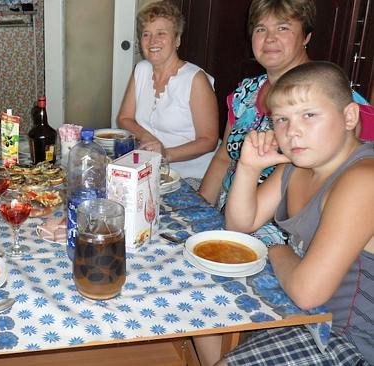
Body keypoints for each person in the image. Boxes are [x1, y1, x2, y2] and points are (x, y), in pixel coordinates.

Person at [220, 61, 374, 364]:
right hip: (313, 319)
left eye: (309, 115)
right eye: (281, 120)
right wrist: (249, 168)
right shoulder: (296, 166)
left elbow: (308, 291)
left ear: (348, 116)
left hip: (354, 342)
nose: (293, 132)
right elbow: (240, 225)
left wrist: (275, 250)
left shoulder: (363, 179)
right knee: (216, 306)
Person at [199, 0, 373, 210]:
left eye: (282, 28)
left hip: (286, 230)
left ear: (306, 36)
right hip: (227, 215)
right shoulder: (245, 93)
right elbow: (223, 158)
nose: (270, 38)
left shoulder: (337, 100)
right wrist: (199, 211)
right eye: (261, 29)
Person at [117, 0, 219, 180]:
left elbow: (209, 141)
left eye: (161, 33)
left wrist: (166, 154)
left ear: (177, 39)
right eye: (146, 34)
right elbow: (124, 118)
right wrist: (147, 137)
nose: (152, 41)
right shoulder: (141, 70)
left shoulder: (195, 79)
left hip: (192, 176)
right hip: (151, 168)